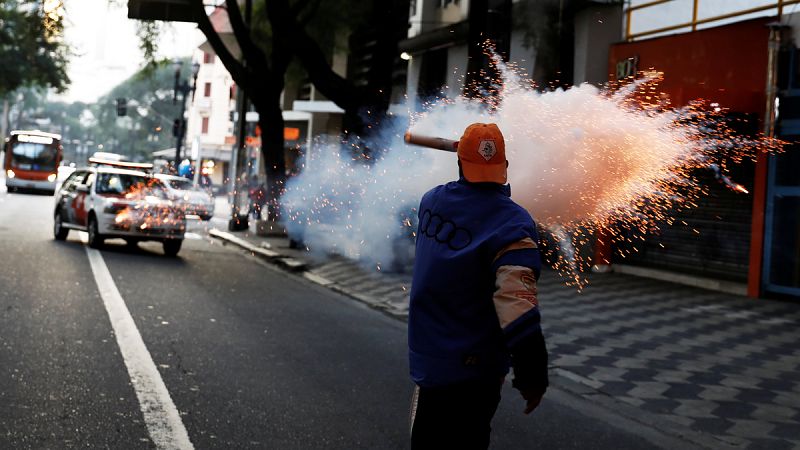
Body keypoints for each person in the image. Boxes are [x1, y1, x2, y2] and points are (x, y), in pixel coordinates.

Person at [408, 123, 548, 449]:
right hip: (475, 373)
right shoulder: (513, 222)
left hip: (429, 364)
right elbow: (517, 303)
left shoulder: (431, 204)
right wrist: (532, 374)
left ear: (459, 163)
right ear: (505, 167)